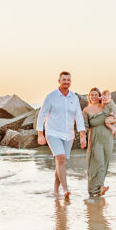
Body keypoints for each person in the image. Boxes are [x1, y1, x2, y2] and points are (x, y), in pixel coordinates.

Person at [36, 71, 87, 199]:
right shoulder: (51, 96)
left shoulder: (74, 98)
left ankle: (55, 190)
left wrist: (82, 134)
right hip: (53, 133)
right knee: (60, 159)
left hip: (68, 135)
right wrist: (40, 134)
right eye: (64, 79)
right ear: (59, 81)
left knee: (61, 163)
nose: (66, 82)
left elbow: (79, 116)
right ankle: (65, 189)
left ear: (70, 82)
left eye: (68, 80)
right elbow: (42, 114)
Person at [83, 87, 116, 198]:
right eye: (91, 95)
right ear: (89, 96)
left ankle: (100, 188)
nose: (93, 97)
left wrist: (109, 101)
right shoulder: (86, 110)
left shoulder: (104, 106)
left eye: (95, 95)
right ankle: (94, 189)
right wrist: (81, 137)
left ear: (99, 96)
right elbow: (84, 126)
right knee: (97, 162)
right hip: (95, 138)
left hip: (107, 138)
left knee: (105, 162)